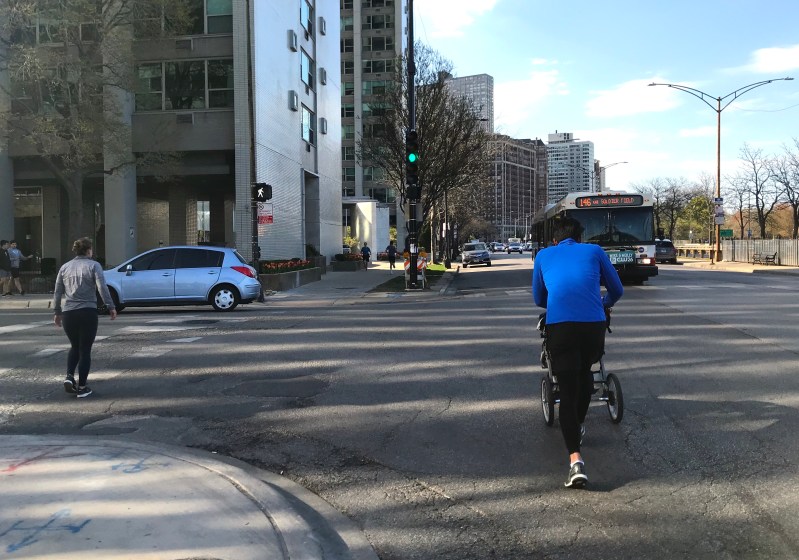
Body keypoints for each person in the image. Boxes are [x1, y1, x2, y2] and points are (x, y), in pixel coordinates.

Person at [532, 217, 623, 489]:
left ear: (555, 240)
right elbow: (616, 290)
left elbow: (539, 299)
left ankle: (575, 462)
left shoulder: (543, 255)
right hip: (592, 326)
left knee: (568, 391)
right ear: (580, 238)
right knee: (585, 374)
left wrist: (562, 300)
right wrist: (601, 302)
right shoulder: (595, 252)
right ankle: (579, 422)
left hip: (560, 327)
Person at [53, 237, 117, 398]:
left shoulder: (64, 267)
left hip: (69, 313)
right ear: (89, 250)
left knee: (75, 345)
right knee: (85, 349)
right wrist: (111, 306)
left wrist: (57, 311)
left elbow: (57, 292)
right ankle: (82, 387)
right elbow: (102, 287)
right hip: (87, 311)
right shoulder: (94, 265)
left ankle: (69, 376)